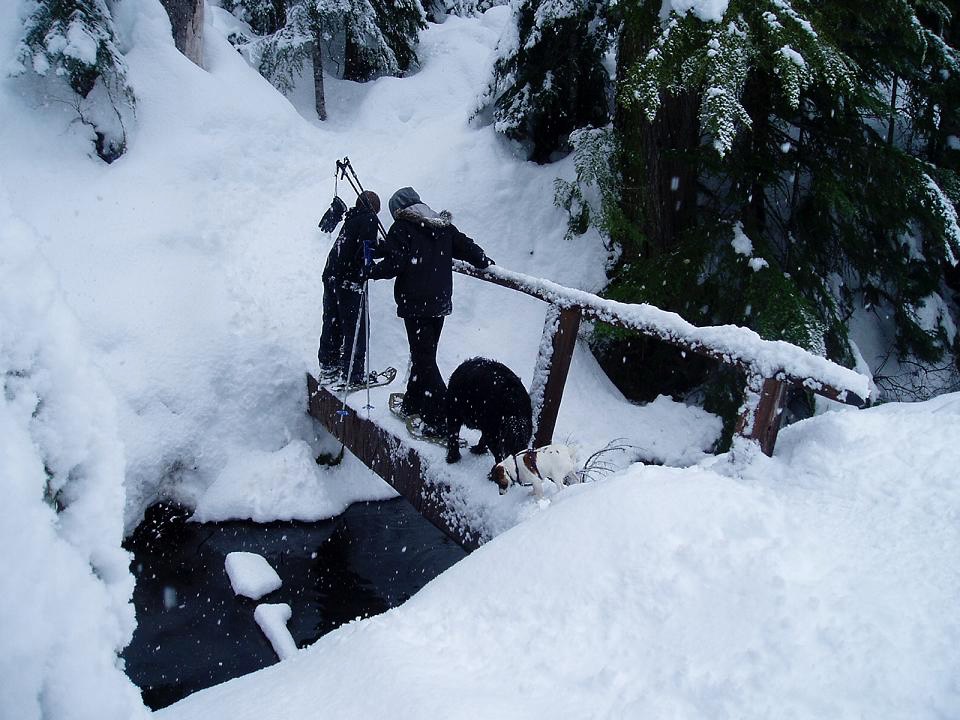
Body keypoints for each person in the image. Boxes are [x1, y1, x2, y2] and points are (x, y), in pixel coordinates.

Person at [368, 187, 494, 435]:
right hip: (438, 303)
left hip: (415, 304)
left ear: (399, 210)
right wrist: (483, 260)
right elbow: (465, 246)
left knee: (425, 361)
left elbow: (395, 263)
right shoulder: (442, 226)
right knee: (424, 356)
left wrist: (370, 271)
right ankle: (413, 403)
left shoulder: (402, 228)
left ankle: (442, 418)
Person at [317, 190, 381, 386]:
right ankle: (353, 374)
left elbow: (355, 246)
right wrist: (369, 268)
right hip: (349, 279)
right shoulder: (369, 219)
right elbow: (366, 249)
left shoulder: (351, 219)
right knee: (357, 326)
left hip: (331, 274)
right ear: (374, 208)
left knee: (333, 320)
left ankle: (329, 366)